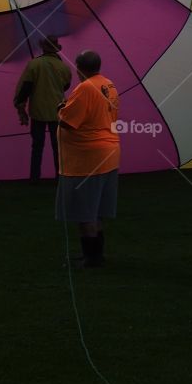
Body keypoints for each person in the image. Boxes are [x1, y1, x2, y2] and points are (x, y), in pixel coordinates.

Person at [55, 49, 120, 268]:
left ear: (78, 67)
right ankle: (95, 255)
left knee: (84, 211)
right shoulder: (108, 84)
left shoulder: (84, 88)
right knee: (96, 210)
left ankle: (91, 259)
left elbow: (68, 121)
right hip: (108, 153)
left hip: (87, 159)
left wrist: (60, 110)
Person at [13, 36, 71, 183]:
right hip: (57, 112)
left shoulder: (34, 64)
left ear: (43, 48)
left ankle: (34, 178)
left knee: (37, 146)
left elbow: (25, 88)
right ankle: (61, 177)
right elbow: (65, 86)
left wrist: (20, 106)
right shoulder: (64, 67)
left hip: (37, 112)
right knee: (58, 147)